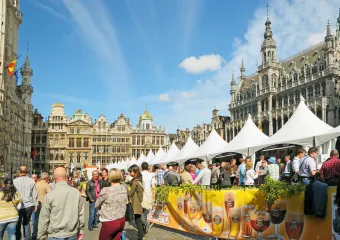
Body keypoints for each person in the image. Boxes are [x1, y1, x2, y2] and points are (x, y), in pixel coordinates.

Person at [38, 167, 84, 240]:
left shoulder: (50, 195)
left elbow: (44, 218)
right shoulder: (76, 193)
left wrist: (41, 236)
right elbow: (81, 214)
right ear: (66, 177)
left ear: (53, 177)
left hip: (55, 234)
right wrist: (81, 230)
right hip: (71, 233)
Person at [95, 169, 127, 240]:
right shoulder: (124, 188)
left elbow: (97, 204)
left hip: (109, 221)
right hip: (121, 219)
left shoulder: (106, 190)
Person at [13, 166, 38, 240]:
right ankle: (27, 238)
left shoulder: (14, 181)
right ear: (26, 172)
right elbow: (34, 194)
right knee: (27, 224)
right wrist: (35, 204)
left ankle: (18, 238)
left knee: (18, 224)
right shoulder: (32, 181)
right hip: (29, 205)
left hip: (18, 205)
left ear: (19, 172)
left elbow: (13, 194)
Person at [128, 164, 144, 240]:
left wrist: (126, 190)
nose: (129, 173)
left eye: (130, 172)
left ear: (134, 171)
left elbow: (131, 193)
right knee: (139, 219)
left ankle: (140, 236)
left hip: (137, 203)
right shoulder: (139, 179)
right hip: (139, 202)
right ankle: (141, 234)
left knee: (137, 220)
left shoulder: (135, 181)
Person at [32, 172, 51, 240]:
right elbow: (50, 195)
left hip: (36, 204)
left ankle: (34, 234)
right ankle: (43, 234)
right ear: (46, 178)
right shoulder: (46, 185)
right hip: (43, 204)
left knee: (35, 220)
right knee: (44, 220)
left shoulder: (36, 184)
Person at [141, 162, 156, 234]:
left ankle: (143, 222)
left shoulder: (140, 174)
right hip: (149, 193)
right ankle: (146, 222)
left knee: (141, 210)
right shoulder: (151, 175)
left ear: (141, 167)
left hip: (141, 193)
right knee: (147, 211)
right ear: (147, 167)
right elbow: (153, 186)